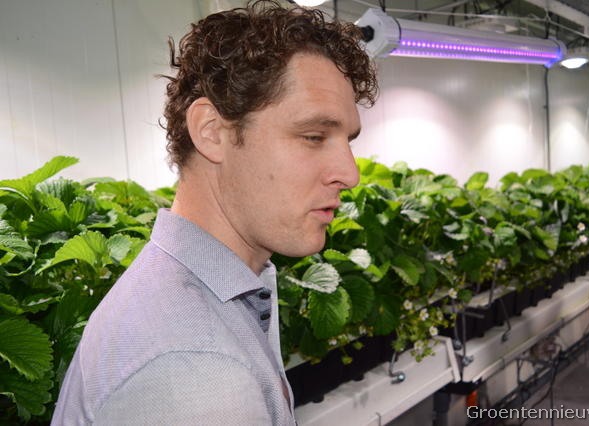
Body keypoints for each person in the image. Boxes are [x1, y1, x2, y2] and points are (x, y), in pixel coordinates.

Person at [51, 0, 377, 424]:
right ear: (211, 132)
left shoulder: (187, 302)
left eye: (347, 140)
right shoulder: (198, 376)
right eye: (314, 136)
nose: (350, 174)